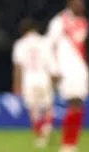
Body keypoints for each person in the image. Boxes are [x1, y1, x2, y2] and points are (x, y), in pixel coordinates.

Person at [47, 0, 89, 152]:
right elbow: (49, 46)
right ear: (70, 3)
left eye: (82, 3)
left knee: (79, 105)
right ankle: (67, 144)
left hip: (80, 69)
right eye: (78, 3)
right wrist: (53, 69)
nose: (81, 6)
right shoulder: (59, 22)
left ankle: (72, 143)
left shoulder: (83, 22)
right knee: (73, 103)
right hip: (66, 70)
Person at [13, 18, 57, 148]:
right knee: (48, 106)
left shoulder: (20, 44)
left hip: (29, 80)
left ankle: (40, 139)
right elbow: (51, 63)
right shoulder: (44, 42)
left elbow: (18, 67)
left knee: (34, 109)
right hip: (43, 78)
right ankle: (47, 126)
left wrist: (17, 85)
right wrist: (54, 79)